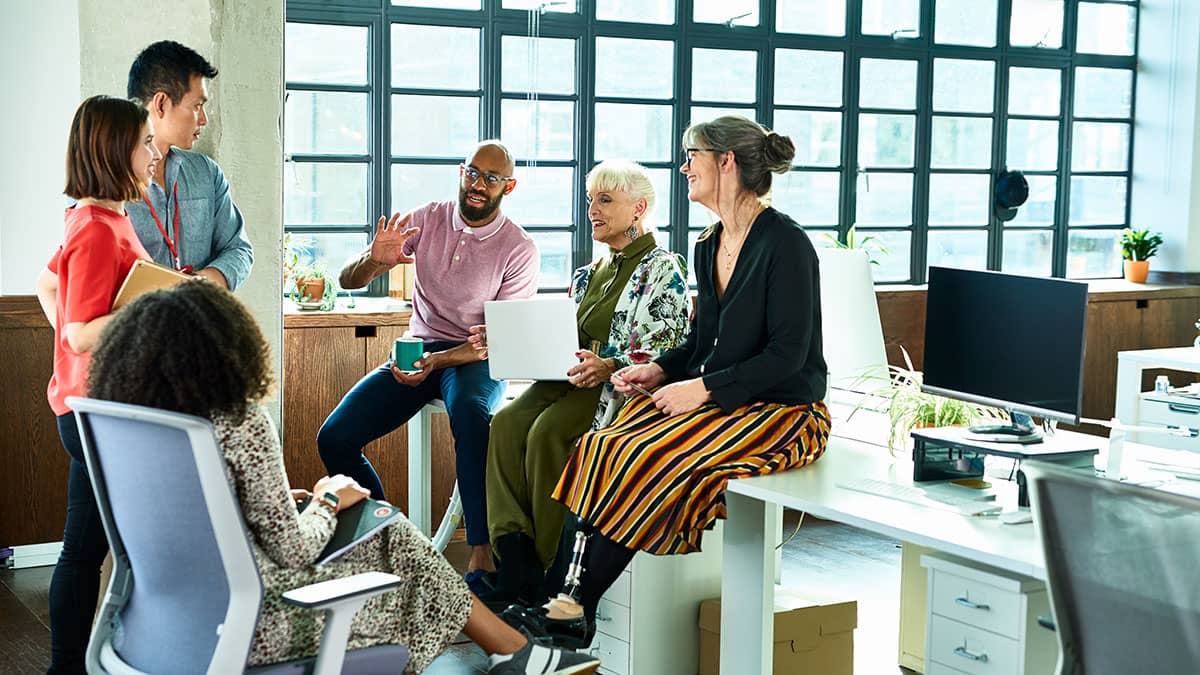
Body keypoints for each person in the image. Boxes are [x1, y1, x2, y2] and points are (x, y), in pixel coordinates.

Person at [85, 282, 599, 675]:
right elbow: (292, 550)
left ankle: (515, 655)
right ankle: (517, 655)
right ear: (225, 350)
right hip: (257, 622)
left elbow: (196, 514)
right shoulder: (240, 423)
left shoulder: (134, 424)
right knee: (394, 539)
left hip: (155, 621)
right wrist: (327, 500)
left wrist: (278, 501)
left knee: (384, 529)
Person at [504, 116, 831, 647]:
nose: (683, 166)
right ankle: (560, 600)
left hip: (785, 413)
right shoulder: (709, 244)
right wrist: (661, 369)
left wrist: (700, 389)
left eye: (691, 154)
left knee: (645, 454)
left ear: (726, 161)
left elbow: (788, 357)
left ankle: (570, 607)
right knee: (600, 446)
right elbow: (704, 344)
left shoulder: (786, 244)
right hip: (728, 402)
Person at [472, 160, 690, 608]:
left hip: (612, 386)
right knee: (506, 422)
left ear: (639, 209)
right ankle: (514, 559)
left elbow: (669, 345)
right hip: (566, 377)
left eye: (606, 200)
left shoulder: (662, 268)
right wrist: (510, 341)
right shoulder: (589, 272)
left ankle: (549, 567)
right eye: (591, 200)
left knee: (546, 433)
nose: (593, 209)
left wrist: (609, 365)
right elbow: (561, 336)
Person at [318, 140, 538, 579]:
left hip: (476, 359)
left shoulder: (519, 248)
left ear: (508, 187)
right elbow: (348, 280)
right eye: (472, 173)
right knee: (335, 437)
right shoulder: (426, 219)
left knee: (473, 418)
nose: (478, 185)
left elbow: (496, 341)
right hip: (420, 347)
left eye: (491, 178)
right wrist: (374, 260)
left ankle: (480, 553)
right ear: (461, 172)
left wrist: (438, 365)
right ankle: (389, 538)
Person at [33, 94, 162, 674]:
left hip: (90, 409)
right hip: (96, 414)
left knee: (89, 550)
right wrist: (161, 302)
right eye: (145, 144)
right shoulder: (95, 226)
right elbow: (82, 334)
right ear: (116, 151)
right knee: (87, 552)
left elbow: (48, 289)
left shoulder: (97, 217)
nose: (154, 154)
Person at [125, 40, 252, 288]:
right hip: (136, 325)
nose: (203, 119)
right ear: (161, 103)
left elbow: (239, 249)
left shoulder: (207, 173)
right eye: (197, 106)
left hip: (200, 322)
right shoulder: (105, 183)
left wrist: (199, 285)